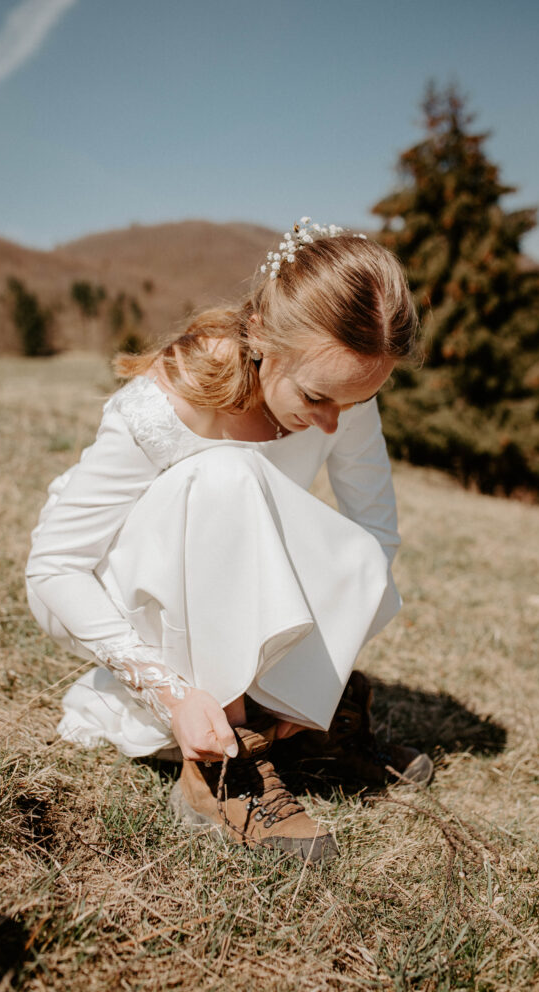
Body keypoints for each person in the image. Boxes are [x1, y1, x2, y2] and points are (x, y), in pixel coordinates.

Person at [26, 218, 429, 864]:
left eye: (353, 403)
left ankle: (296, 724)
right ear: (264, 336)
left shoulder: (340, 388)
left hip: (239, 598)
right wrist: (172, 693)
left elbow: (374, 536)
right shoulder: (170, 400)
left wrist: (316, 677)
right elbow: (53, 570)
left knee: (358, 551)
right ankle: (222, 768)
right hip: (144, 600)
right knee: (227, 475)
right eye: (317, 397)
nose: (331, 423)